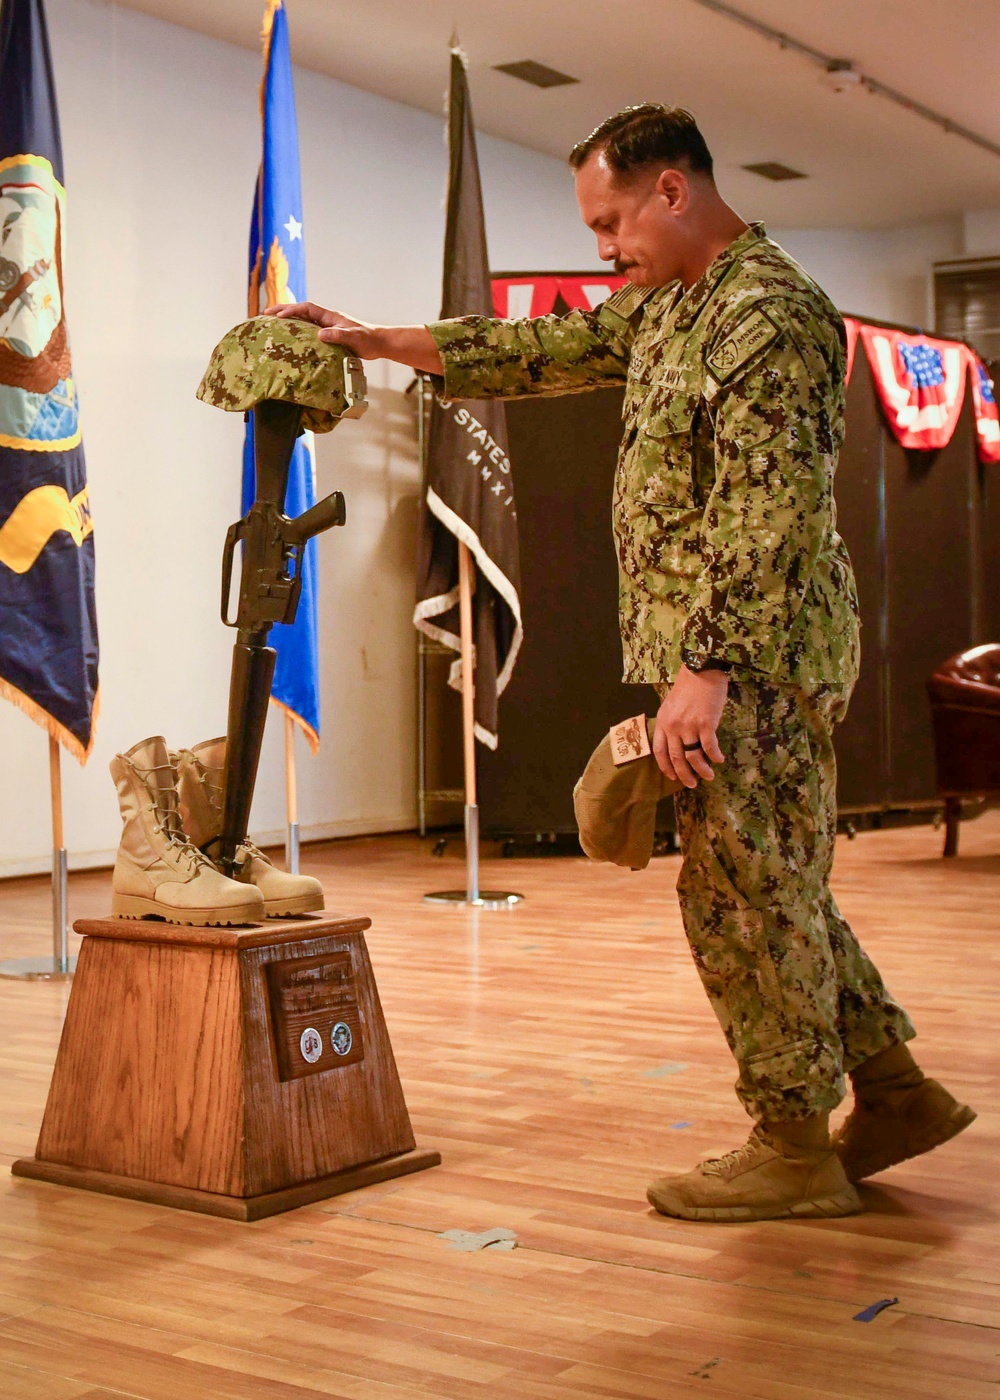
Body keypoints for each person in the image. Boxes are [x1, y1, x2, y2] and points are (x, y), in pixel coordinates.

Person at [268, 104, 975, 1222]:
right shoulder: (665, 303)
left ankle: (792, 1142)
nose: (603, 249)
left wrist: (708, 667)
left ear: (672, 191)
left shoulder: (766, 310)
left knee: (738, 897)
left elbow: (769, 504)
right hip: (726, 653)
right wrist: (381, 340)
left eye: (610, 222)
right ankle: (890, 1090)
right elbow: (544, 348)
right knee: (771, 880)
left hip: (755, 656)